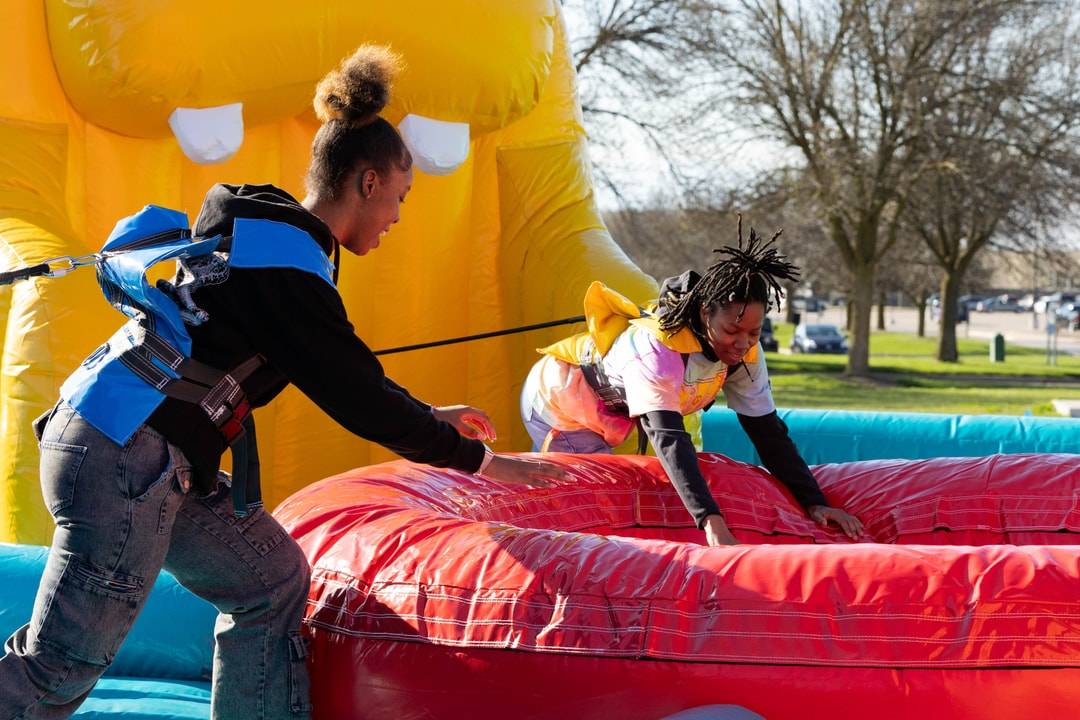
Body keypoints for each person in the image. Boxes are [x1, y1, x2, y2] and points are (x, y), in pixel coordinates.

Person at [0, 45, 563, 719]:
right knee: (58, 670)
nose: (397, 220)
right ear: (368, 183)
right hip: (127, 457)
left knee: (270, 583)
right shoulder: (287, 268)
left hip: (148, 454)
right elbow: (356, 395)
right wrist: (480, 461)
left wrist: (431, 412)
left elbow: (346, 374)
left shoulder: (273, 250)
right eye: (401, 198)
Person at [520, 218, 863, 546]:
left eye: (754, 332)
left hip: (614, 409)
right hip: (559, 398)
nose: (743, 343)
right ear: (704, 314)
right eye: (731, 330)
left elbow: (767, 432)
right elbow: (667, 438)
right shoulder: (657, 352)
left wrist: (814, 502)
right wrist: (710, 519)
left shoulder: (746, 355)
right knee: (592, 495)